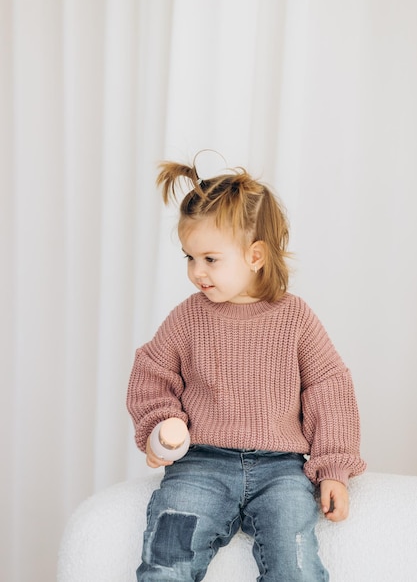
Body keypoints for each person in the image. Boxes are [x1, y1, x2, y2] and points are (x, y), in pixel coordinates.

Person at [127, 159, 366, 581]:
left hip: (281, 470)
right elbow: (153, 373)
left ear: (255, 255)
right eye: (190, 257)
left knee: (295, 564)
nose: (196, 271)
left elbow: (329, 390)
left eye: (210, 259)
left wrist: (333, 470)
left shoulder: (294, 318)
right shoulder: (188, 318)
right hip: (200, 463)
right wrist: (161, 424)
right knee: (168, 554)